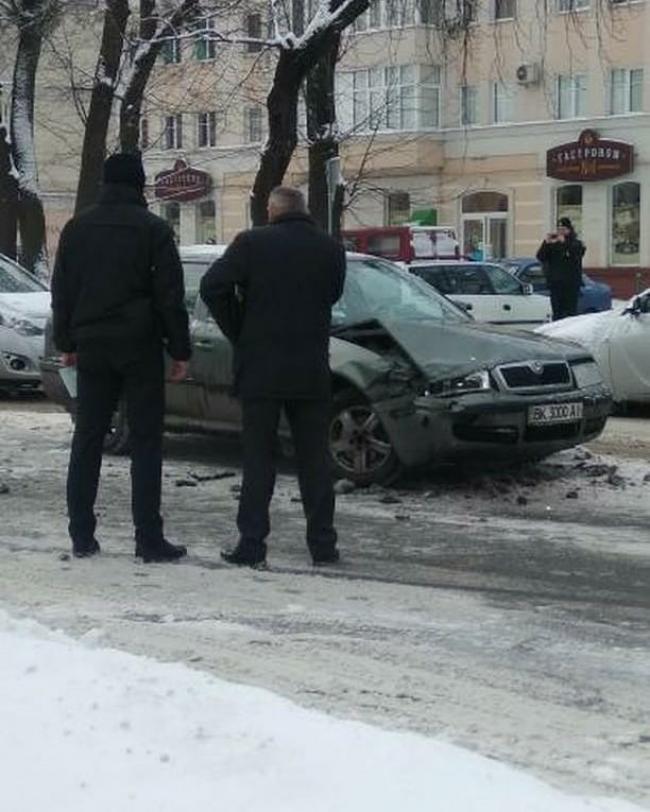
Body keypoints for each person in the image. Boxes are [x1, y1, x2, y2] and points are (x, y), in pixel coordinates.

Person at [51, 153, 191, 562]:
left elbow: (63, 291)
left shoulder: (77, 229)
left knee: (88, 437)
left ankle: (81, 535)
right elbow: (170, 296)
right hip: (140, 345)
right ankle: (148, 538)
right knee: (146, 442)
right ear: (140, 184)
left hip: (92, 345)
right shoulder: (154, 230)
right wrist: (179, 350)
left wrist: (67, 343)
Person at [200, 186, 346, 568]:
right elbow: (332, 295)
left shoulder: (251, 243)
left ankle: (252, 543)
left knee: (258, 458)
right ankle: (323, 545)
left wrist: (240, 329)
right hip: (310, 366)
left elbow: (212, 286)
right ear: (304, 210)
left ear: (272, 210)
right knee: (315, 459)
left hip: (261, 367)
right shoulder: (330, 248)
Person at [536, 217, 585, 321]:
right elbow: (540, 257)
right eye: (559, 229)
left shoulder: (576, 243)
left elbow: (576, 255)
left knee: (570, 313)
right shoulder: (554, 245)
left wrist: (565, 243)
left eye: (563, 229)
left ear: (569, 230)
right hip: (556, 284)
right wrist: (546, 243)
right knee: (557, 312)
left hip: (570, 285)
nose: (561, 232)